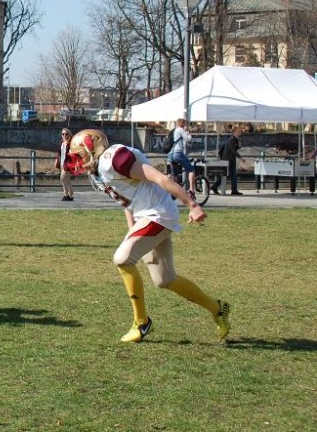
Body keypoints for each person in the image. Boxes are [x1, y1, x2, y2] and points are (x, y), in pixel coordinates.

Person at [64, 128, 231, 343]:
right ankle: (218, 308)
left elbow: (159, 178)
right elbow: (125, 198)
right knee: (165, 279)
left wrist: (192, 204)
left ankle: (141, 322)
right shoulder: (98, 170)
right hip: (147, 216)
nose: (78, 160)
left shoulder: (115, 157)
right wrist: (131, 225)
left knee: (122, 259)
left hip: (157, 214)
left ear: (93, 147)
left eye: (80, 154)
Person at [167, 118, 197, 198]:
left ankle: (174, 192)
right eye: (185, 124)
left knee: (174, 174)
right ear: (183, 124)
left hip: (170, 154)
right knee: (191, 170)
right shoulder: (180, 130)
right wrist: (187, 132)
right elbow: (188, 138)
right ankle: (191, 189)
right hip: (177, 153)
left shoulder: (174, 130)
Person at [220, 125, 246, 195]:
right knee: (228, 175)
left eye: (240, 131)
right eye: (238, 131)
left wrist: (239, 145)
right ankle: (233, 190)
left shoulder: (235, 139)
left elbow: (235, 148)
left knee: (230, 175)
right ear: (234, 132)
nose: (240, 133)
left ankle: (234, 190)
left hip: (230, 159)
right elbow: (233, 150)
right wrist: (241, 158)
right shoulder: (231, 139)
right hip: (228, 160)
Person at [54, 128, 75, 201]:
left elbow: (73, 153)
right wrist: (57, 160)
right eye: (63, 134)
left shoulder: (71, 143)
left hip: (68, 163)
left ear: (69, 134)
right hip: (62, 163)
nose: (64, 135)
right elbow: (59, 153)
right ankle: (71, 194)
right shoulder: (62, 143)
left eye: (66, 134)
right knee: (67, 179)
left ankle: (66, 194)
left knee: (62, 178)